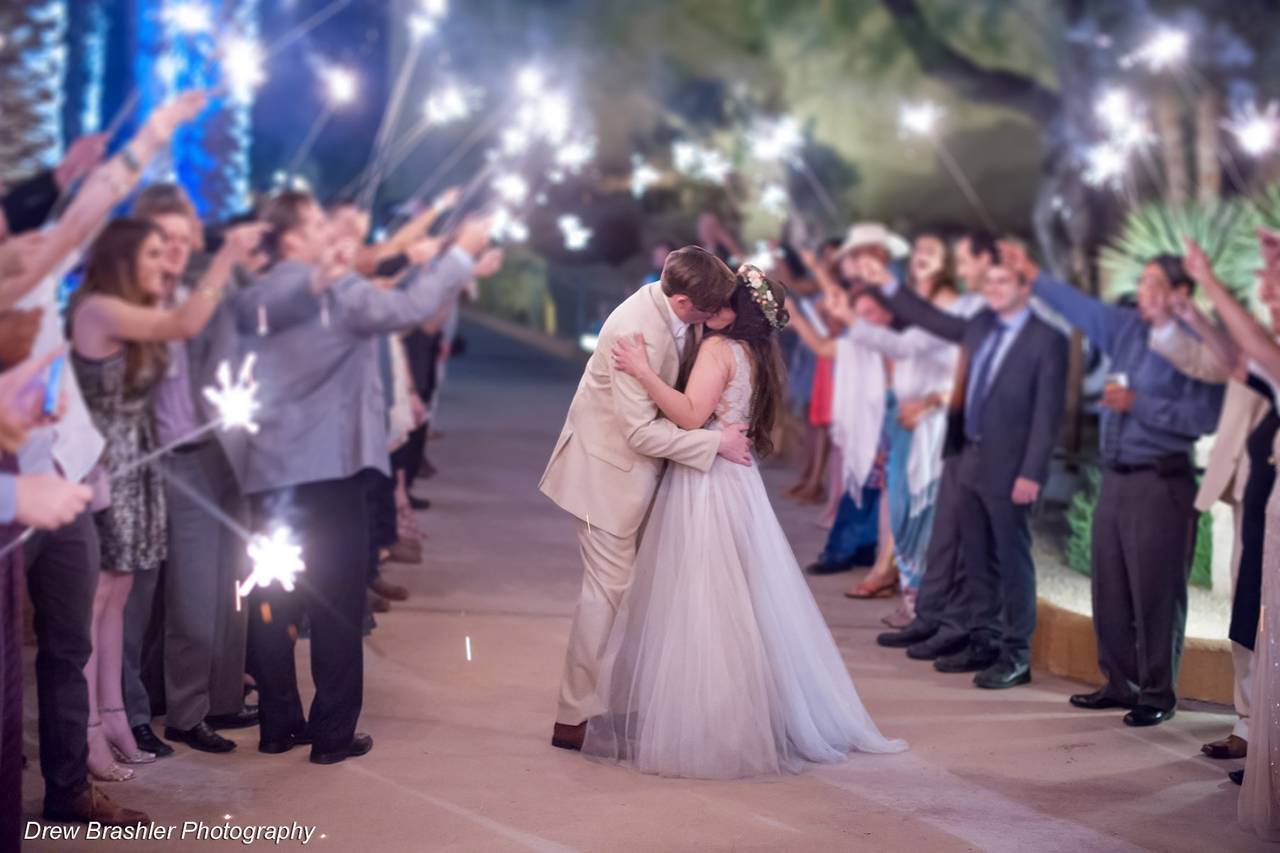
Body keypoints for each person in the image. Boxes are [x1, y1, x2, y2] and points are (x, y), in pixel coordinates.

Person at [583, 263, 906, 777]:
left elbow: (690, 416)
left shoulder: (717, 349)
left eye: (726, 300)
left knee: (705, 600)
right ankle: (737, 716)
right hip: (737, 479)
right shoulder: (754, 352)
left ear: (739, 313)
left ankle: (715, 725)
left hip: (708, 481)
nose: (715, 306)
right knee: (738, 599)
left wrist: (643, 372)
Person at [233, 191, 498, 765]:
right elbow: (405, 311)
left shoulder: (260, 292)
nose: (327, 230)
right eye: (315, 223)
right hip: (329, 470)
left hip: (270, 469)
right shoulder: (330, 288)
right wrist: (462, 257)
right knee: (334, 600)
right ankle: (331, 734)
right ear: (291, 239)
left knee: (272, 594)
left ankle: (279, 724)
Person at [539, 245, 752, 752]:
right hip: (604, 477)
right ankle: (571, 718)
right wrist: (714, 443)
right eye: (709, 312)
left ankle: (623, 699)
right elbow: (639, 435)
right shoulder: (632, 331)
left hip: (638, 475)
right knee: (606, 594)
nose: (718, 320)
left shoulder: (675, 311)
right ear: (682, 302)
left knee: (638, 593)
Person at [1004, 242, 1224, 725]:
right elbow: (1081, 308)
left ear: (1182, 293)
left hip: (1161, 480)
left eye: (1155, 284)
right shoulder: (1127, 329)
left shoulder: (1202, 347)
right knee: (1111, 585)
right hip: (1117, 477)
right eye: (1142, 282)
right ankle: (1119, 681)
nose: (1143, 292)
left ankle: (1157, 692)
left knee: (1156, 590)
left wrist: (1139, 405)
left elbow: (1204, 417)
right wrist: (1034, 276)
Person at [69, 214, 256, 781]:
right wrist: (227, 259)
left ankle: (121, 718)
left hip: (159, 463)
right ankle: (100, 729)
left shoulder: (149, 308)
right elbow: (181, 324)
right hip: (115, 467)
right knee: (110, 601)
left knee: (123, 596)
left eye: (176, 243)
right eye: (156, 249)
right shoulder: (109, 309)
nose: (168, 255)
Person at [872, 251, 1068, 689]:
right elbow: (931, 319)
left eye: (1004, 281)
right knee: (977, 557)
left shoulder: (1047, 339)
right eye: (990, 280)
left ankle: (1017, 654)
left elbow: (1048, 414)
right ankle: (982, 640)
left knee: (1011, 562)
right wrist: (888, 286)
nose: (993, 288)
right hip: (967, 455)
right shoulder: (981, 324)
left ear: (1024, 287)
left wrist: (1032, 473)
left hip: (1011, 465)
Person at [1181, 230, 1280, 841]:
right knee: (1254, 625)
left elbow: (1258, 357)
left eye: (1275, 279)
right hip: (1265, 506)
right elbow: (1244, 361)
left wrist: (1210, 282)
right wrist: (1196, 311)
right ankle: (1262, 746)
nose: (1268, 289)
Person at [1147, 284, 1275, 754]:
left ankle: (1268, 737)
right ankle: (1248, 725)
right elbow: (1213, 363)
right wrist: (1184, 317)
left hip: (1273, 487)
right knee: (1248, 612)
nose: (1271, 293)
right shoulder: (1256, 334)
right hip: (1251, 488)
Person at [874, 231, 997, 660]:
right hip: (945, 429)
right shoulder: (964, 308)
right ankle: (930, 617)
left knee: (959, 538)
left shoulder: (989, 309)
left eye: (965, 261)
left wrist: (932, 402)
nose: (961, 270)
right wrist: (886, 288)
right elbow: (926, 330)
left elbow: (963, 372)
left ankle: (962, 628)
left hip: (965, 430)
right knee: (941, 534)